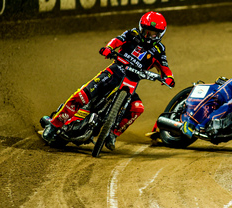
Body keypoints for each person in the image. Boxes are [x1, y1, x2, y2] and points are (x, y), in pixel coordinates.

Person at [42, 12, 175, 151]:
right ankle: (53, 125)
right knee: (82, 95)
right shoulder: (132, 33)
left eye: (153, 33)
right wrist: (109, 48)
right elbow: (118, 40)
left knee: (138, 108)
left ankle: (112, 134)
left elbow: (164, 67)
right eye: (146, 32)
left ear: (160, 34)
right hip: (114, 72)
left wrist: (169, 78)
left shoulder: (159, 49)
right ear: (141, 28)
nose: (148, 36)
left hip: (131, 84)